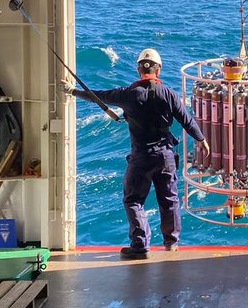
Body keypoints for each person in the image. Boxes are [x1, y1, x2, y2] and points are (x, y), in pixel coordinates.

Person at [61, 48, 209, 260]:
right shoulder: (169, 94)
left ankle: (140, 246)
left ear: (139, 69)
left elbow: (98, 96)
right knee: (169, 200)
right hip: (166, 156)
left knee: (133, 200)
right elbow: (187, 120)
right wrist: (201, 140)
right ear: (159, 69)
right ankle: (172, 244)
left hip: (141, 157)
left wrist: (72, 91)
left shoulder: (127, 94)